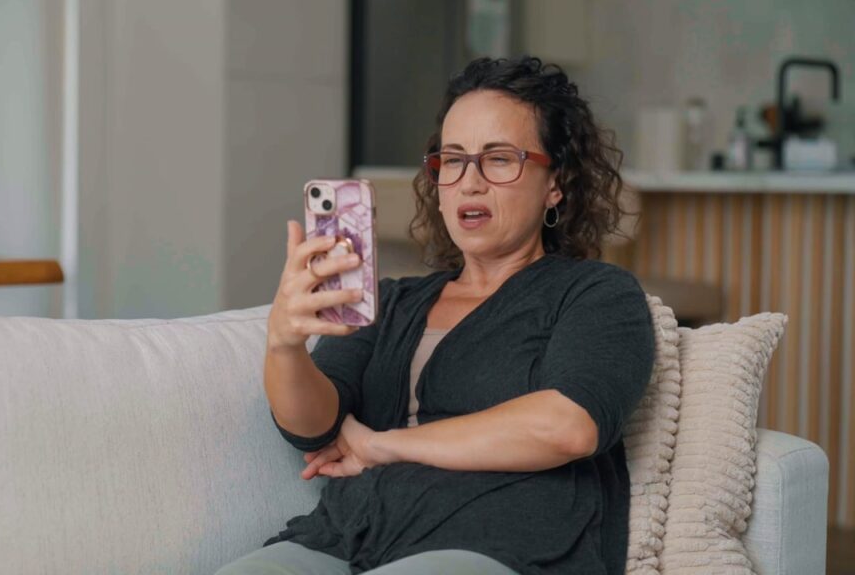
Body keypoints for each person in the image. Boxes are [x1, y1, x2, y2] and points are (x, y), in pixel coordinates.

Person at [216, 56, 655, 575]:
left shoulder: (596, 294)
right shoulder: (392, 302)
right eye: (452, 160)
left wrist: (382, 446)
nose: (469, 182)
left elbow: (567, 426)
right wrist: (284, 344)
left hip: (498, 544)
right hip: (345, 539)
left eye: (499, 159)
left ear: (554, 183)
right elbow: (313, 427)